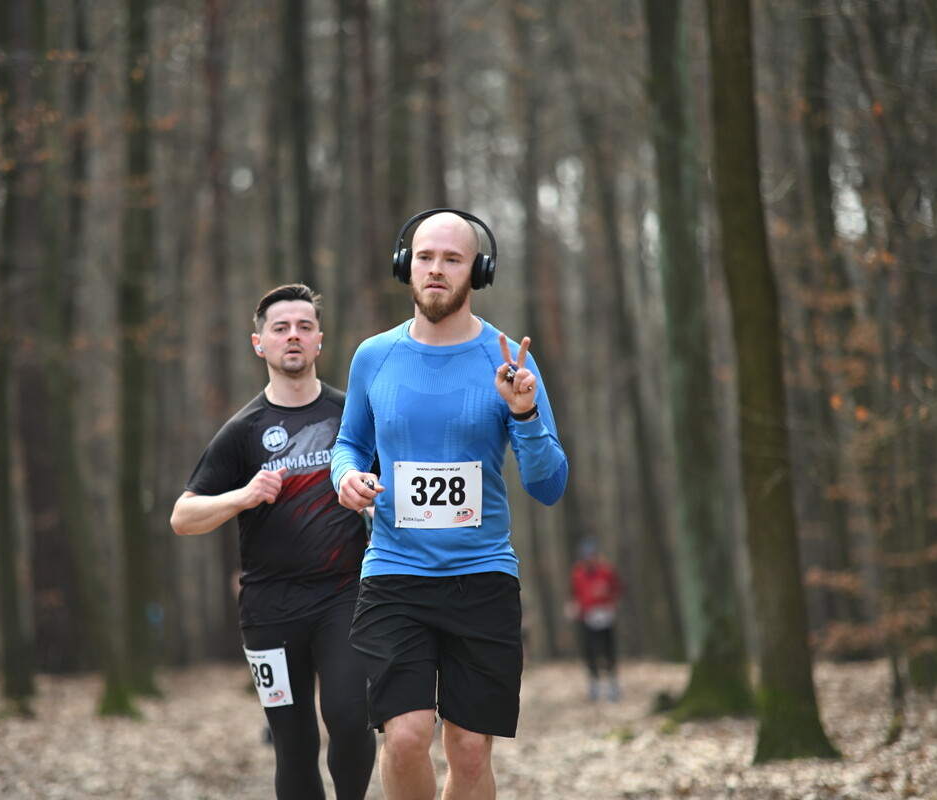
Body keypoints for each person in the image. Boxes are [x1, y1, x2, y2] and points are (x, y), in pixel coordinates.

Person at [331, 209, 569, 800]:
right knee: (407, 738)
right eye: (425, 257)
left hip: (482, 576)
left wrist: (525, 414)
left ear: (478, 270)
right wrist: (347, 478)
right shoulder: (374, 356)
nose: (435, 269)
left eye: (452, 259)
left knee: (467, 752)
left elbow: (548, 485)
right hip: (394, 574)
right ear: (405, 265)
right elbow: (349, 443)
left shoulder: (508, 358)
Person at [170, 284, 376, 800]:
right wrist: (241, 496)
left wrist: (375, 498)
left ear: (319, 341)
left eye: (304, 327)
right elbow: (182, 516)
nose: (293, 336)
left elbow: (392, 488)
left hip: (344, 598)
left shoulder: (350, 415)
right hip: (269, 609)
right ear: (259, 343)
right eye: (280, 328)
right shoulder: (243, 430)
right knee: (293, 743)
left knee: (351, 720)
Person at [568, 537, 623, 702]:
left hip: (605, 613)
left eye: (592, 555)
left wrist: (608, 594)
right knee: (590, 651)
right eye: (587, 556)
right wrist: (574, 605)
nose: (589, 559)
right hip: (587, 616)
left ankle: (613, 684)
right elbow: (573, 593)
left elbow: (618, 588)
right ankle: (594, 685)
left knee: (608, 650)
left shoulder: (606, 570)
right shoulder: (578, 573)